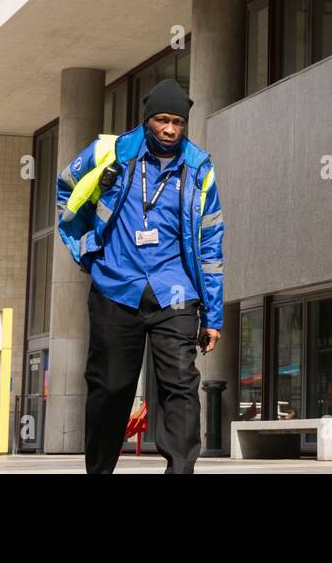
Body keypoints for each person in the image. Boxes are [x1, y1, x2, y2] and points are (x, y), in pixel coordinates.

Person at [56, 78, 225, 474]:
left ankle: (180, 472)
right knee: (110, 387)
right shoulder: (110, 152)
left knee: (181, 386)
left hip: (176, 291)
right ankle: (99, 470)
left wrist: (213, 314)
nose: (170, 130)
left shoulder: (199, 167)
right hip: (116, 287)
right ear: (148, 119)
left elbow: (212, 239)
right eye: (163, 120)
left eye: (178, 123)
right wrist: (84, 249)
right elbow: (66, 189)